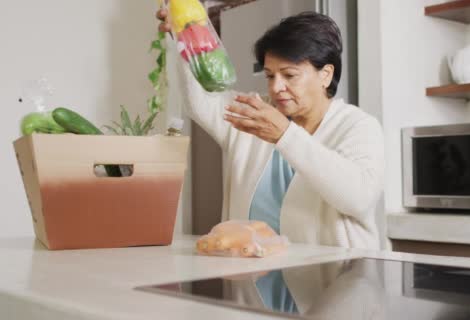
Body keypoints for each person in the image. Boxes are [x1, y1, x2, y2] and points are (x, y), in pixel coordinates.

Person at [156, 8, 385, 250]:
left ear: (325, 75)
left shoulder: (357, 126)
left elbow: (358, 198)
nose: (276, 87)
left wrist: (285, 135)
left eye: (289, 75)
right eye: (269, 75)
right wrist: (186, 38)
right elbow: (200, 102)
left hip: (333, 278)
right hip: (253, 273)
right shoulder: (256, 112)